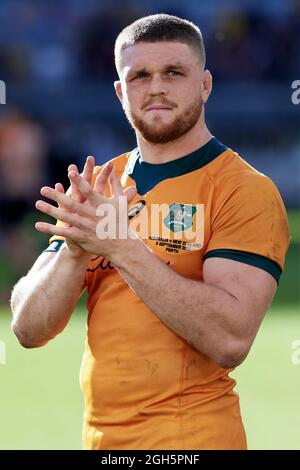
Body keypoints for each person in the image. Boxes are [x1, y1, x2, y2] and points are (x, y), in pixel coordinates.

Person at [11, 14, 290, 450]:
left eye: (174, 73)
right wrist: (73, 251)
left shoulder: (244, 190)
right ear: (122, 92)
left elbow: (229, 339)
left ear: (205, 85)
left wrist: (121, 247)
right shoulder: (101, 183)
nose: (156, 87)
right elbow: (28, 329)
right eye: (139, 76)